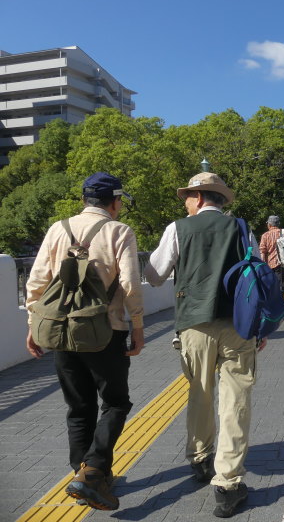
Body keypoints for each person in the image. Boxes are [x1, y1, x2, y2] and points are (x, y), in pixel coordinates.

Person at [144, 172, 262, 518]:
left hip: (194, 325)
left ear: (198, 197)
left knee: (200, 391)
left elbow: (153, 276)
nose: (185, 203)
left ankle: (200, 458)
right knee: (236, 400)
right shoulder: (241, 228)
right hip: (238, 324)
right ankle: (228, 484)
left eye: (187, 197)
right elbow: (256, 274)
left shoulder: (178, 228)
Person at [25, 172, 145, 511]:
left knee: (79, 408)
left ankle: (83, 475)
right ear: (115, 202)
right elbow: (130, 284)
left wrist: (33, 325)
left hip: (61, 331)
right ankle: (92, 472)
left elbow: (36, 282)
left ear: (84, 200)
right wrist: (137, 327)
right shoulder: (119, 231)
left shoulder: (57, 229)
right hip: (106, 331)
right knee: (116, 403)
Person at [259, 215, 284, 294]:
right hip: (282, 262)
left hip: (269, 264)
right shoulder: (283, 232)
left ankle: (273, 299)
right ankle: (280, 299)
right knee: (281, 285)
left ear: (269, 224)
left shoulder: (265, 235)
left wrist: (263, 265)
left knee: (270, 285)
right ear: (278, 224)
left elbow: (262, 251)